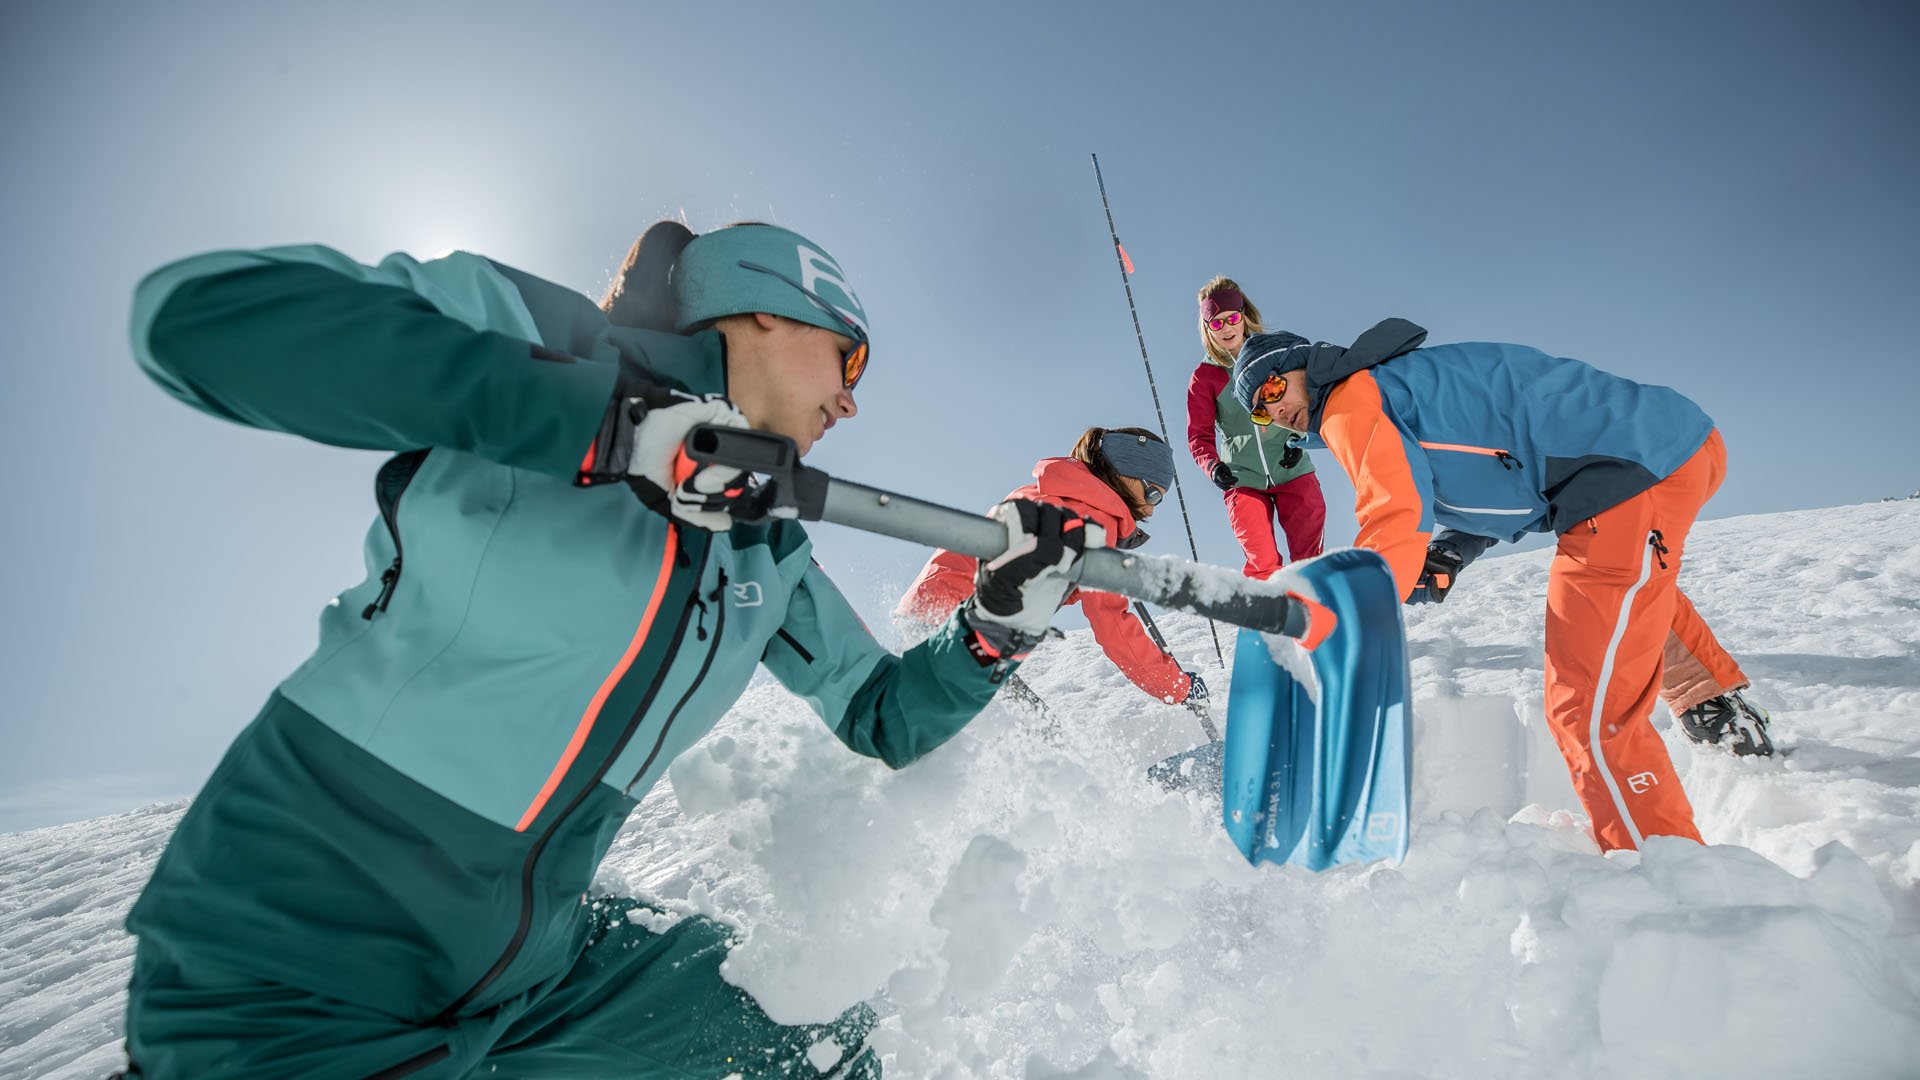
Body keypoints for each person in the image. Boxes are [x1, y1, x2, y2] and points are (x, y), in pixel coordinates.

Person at [118, 221, 1094, 1078]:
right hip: (313, 934)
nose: (850, 404)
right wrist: (605, 422)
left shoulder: (763, 542)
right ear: (765, 312)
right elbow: (198, 320)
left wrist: (994, 629)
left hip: (545, 968)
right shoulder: (537, 335)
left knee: (814, 1053)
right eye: (851, 360)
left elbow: (881, 714)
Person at [1231, 321, 1774, 853]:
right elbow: (1504, 466)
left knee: (1585, 712)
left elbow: (1393, 514)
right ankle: (1716, 706)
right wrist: (1453, 549)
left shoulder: (1353, 398)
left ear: (1306, 366)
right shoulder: (1397, 384)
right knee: (1632, 586)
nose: (1274, 411)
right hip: (1666, 450)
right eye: (1260, 410)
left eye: (1274, 388)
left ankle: (1665, 869)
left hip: (1625, 476)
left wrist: (1343, 615)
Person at [897, 427, 1207, 708]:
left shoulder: (1047, 494)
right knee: (1033, 735)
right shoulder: (1096, 520)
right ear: (1125, 474)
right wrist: (1177, 687)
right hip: (962, 630)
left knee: (1011, 731)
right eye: (1152, 493)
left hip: (927, 611)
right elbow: (1113, 627)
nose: (1151, 508)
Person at [1186, 277, 1326, 579]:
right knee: (1262, 563)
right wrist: (1212, 466)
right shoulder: (1205, 376)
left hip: (1294, 470)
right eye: (1216, 323)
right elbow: (1199, 435)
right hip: (1243, 479)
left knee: (1309, 561)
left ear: (1244, 316)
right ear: (1207, 328)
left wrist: (1297, 440)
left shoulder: (1274, 354)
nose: (1226, 328)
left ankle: (1320, 621)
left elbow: (1305, 400)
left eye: (1232, 318)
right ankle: (1272, 621)